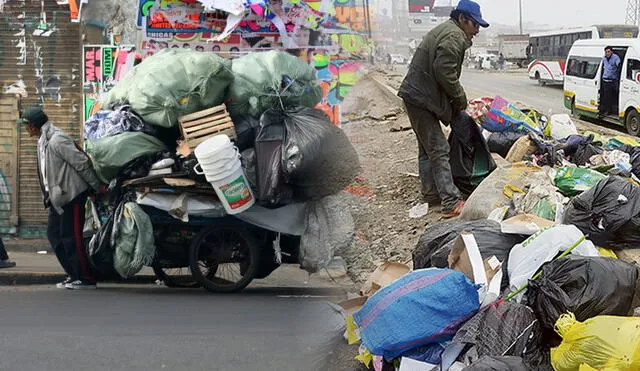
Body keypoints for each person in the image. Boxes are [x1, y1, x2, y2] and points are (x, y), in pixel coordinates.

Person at [397, 0, 489, 218]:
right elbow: (444, 72)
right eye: (474, 25)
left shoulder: (449, 32)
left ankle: (431, 193)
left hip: (418, 96)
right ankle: (450, 201)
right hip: (421, 98)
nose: (476, 31)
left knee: (427, 148)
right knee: (439, 149)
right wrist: (460, 99)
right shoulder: (454, 36)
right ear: (462, 19)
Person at [18, 107, 103, 289]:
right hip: (57, 198)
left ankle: (86, 278)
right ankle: (73, 274)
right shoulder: (43, 140)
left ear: (33, 126)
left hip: (71, 195)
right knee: (54, 235)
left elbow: (81, 162)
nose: (25, 130)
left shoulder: (57, 139)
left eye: (25, 126)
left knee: (71, 237)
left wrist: (96, 188)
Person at [601, 46, 621, 116]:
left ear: (612, 52)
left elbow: (619, 66)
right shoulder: (604, 58)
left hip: (613, 80)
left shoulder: (616, 58)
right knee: (606, 97)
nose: (607, 53)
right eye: (606, 52)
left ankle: (617, 110)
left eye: (608, 51)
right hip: (605, 81)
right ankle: (607, 110)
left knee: (617, 95)